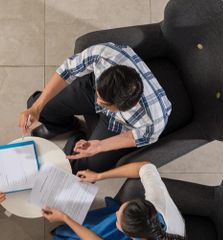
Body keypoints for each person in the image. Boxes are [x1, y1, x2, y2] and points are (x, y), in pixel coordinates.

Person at [17, 162, 186, 240]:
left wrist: (65, 217)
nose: (117, 214)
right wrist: (99, 176)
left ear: (131, 235)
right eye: (121, 210)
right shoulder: (158, 201)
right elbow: (145, 166)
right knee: (98, 230)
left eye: (119, 220)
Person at [18, 42, 171, 173]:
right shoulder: (105, 54)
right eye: (99, 97)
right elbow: (67, 71)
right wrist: (36, 108)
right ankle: (63, 126)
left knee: (89, 164)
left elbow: (137, 137)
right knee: (38, 104)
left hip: (121, 124)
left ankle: (77, 136)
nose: (97, 103)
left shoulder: (153, 121)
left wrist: (100, 145)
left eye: (103, 104)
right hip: (92, 86)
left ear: (125, 107)